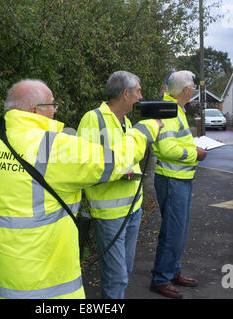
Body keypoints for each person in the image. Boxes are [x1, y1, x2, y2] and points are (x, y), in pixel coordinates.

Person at [0, 79, 163, 299]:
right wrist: (145, 129)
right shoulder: (50, 147)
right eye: (52, 105)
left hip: (1, 287)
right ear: (36, 110)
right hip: (50, 290)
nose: (55, 110)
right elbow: (116, 160)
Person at [77, 71, 145, 299]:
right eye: (138, 92)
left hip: (133, 209)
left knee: (124, 272)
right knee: (116, 278)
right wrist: (117, 172)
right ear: (126, 94)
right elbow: (84, 166)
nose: (141, 96)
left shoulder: (126, 120)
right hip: (110, 214)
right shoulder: (93, 119)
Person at [149, 70, 207, 299]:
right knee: (173, 232)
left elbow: (175, 142)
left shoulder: (175, 109)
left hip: (178, 179)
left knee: (178, 231)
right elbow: (166, 148)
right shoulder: (169, 111)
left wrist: (194, 147)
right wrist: (195, 154)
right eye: (192, 85)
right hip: (173, 179)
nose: (193, 88)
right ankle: (161, 279)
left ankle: (171, 272)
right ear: (186, 90)